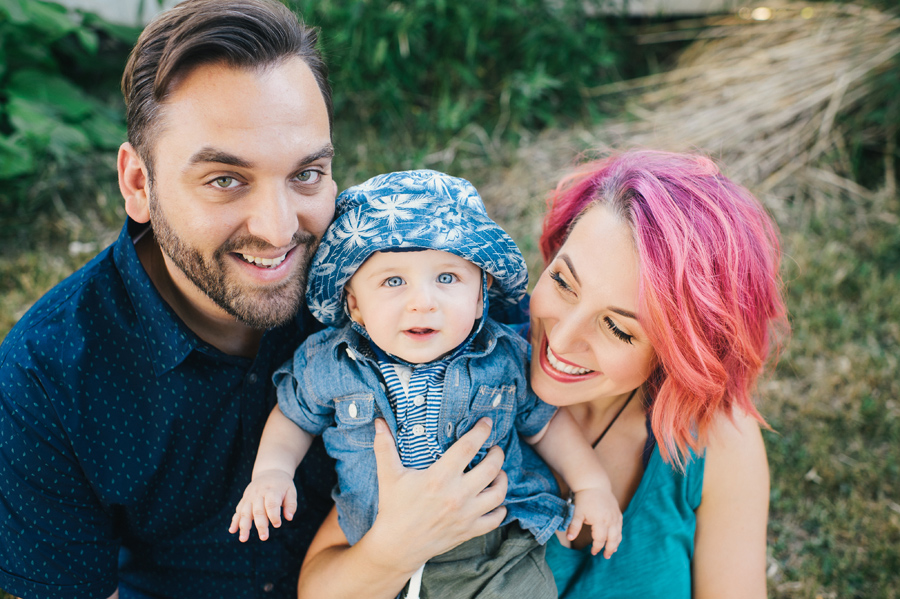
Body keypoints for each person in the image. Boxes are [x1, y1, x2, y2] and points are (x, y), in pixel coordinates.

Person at [0, 2, 505, 598]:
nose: (277, 228)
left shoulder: (392, 281)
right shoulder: (46, 375)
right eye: (225, 180)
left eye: (306, 173)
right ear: (139, 184)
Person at [295, 150, 787, 599]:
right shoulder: (456, 371)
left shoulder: (717, 441)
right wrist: (392, 549)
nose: (561, 337)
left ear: (680, 353)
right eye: (563, 282)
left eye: (617, 327)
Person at [230, 170, 623, 598]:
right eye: (393, 281)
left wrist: (590, 485)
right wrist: (271, 473)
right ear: (356, 304)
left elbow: (545, 424)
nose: (423, 301)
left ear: (479, 299)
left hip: (494, 549)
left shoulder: (503, 358)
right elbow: (294, 416)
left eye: (447, 278)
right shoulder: (332, 363)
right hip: (378, 541)